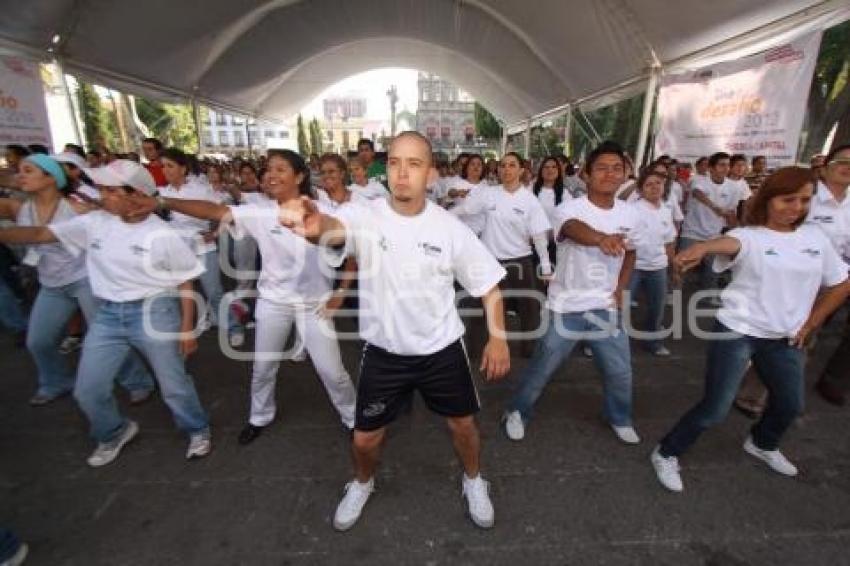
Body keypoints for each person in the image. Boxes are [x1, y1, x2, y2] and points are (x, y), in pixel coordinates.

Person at [279, 131, 510, 531]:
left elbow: (489, 286)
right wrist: (316, 225)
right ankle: (362, 482)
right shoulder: (364, 215)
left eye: (415, 164)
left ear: (432, 174)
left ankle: (473, 479)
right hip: (384, 352)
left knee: (463, 426)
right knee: (365, 439)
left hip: (441, 349)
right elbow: (336, 229)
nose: (403, 173)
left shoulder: (449, 228)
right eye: (396, 163)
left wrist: (498, 337)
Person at [132, 149, 358, 443]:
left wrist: (339, 294)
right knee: (263, 367)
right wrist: (160, 201)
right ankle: (259, 416)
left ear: (300, 176)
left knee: (333, 372)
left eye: (280, 169)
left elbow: (352, 256)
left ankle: (354, 418)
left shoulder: (328, 213)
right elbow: (214, 211)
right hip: (273, 303)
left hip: (314, 306)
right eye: (268, 169)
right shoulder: (261, 212)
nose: (270, 175)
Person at [651, 167, 850, 492]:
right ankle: (666, 452)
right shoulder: (750, 236)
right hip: (737, 333)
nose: (796, 208)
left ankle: (762, 442)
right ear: (768, 199)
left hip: (786, 338)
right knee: (715, 409)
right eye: (787, 199)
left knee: (790, 404)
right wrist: (698, 250)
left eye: (804, 200)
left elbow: (841, 282)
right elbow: (726, 244)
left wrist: (813, 321)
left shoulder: (816, 238)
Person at [0, 160, 211, 466]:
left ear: (135, 194)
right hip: (109, 315)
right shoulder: (94, 223)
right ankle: (113, 431)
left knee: (174, 384)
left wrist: (187, 329)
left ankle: (197, 429)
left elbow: (185, 281)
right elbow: (41, 234)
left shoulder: (162, 234)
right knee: (88, 389)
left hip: (154, 311)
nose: (101, 195)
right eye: (100, 188)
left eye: (110, 190)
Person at [502, 141, 641, 445]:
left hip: (605, 306)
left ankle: (619, 417)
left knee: (620, 372)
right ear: (587, 174)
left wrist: (620, 288)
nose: (610, 173)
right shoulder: (568, 208)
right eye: (602, 168)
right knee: (542, 367)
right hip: (565, 306)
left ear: (625, 174)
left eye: (617, 168)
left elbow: (631, 253)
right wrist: (601, 238)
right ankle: (517, 411)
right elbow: (573, 228)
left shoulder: (631, 214)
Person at [0, 154, 154, 405]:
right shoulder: (18, 207)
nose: (20, 176)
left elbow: (121, 222)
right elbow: (34, 231)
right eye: (19, 171)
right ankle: (55, 381)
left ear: (51, 178)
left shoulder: (78, 208)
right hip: (51, 284)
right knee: (38, 340)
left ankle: (137, 381)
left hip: (86, 280)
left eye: (28, 171)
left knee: (106, 336)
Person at [451, 152, 552, 357]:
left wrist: (546, 265)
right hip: (490, 262)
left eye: (512, 165)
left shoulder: (529, 200)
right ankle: (477, 351)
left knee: (530, 308)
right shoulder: (488, 193)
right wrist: (439, 216)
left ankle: (530, 351)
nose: (506, 169)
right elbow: (465, 210)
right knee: (482, 309)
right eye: (503, 165)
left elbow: (540, 236)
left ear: (521, 170)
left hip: (521, 261)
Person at [159, 148, 240, 343]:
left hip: (203, 248)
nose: (165, 170)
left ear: (183, 168)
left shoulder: (200, 189)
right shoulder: (162, 193)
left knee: (213, 291)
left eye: (170, 166)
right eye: (163, 166)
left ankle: (233, 327)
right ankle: (187, 328)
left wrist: (214, 233)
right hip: (176, 250)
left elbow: (225, 213)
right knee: (181, 293)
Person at [808, 144, 850, 405]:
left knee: (809, 336)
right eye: (842, 161)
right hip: (802, 279)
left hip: (836, 283)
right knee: (786, 335)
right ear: (824, 168)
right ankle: (752, 394)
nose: (848, 167)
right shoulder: (806, 198)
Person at [680, 152, 750, 298]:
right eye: (721, 165)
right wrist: (715, 207)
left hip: (714, 235)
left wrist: (736, 230)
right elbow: (698, 193)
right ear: (711, 168)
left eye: (727, 165)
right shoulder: (699, 181)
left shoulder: (734, 188)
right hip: (691, 231)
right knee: (682, 265)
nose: (725, 168)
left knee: (712, 271)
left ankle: (706, 297)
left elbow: (731, 212)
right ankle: (672, 293)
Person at [627, 170, 678, 356]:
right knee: (619, 306)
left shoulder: (666, 210)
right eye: (649, 184)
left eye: (658, 183)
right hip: (633, 267)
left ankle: (653, 342)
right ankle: (607, 341)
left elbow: (669, 241)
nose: (655, 187)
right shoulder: (632, 210)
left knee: (657, 308)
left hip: (658, 267)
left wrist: (673, 266)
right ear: (640, 190)